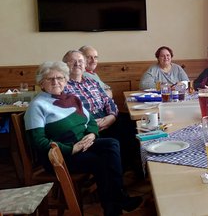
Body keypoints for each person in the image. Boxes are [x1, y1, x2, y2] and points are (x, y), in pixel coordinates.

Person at [24, 61, 142, 216]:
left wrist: (92, 134)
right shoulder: (37, 106)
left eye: (59, 78)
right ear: (41, 83)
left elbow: (91, 121)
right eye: (49, 79)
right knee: (101, 161)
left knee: (112, 143)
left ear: (66, 80)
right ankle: (114, 207)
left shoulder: (72, 98)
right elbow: (38, 142)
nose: (55, 82)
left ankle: (116, 202)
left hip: (83, 144)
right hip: (59, 156)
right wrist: (72, 149)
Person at [62, 50, 140, 174]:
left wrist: (112, 116)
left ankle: (131, 169)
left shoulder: (92, 82)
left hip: (106, 116)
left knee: (135, 126)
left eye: (80, 61)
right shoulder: (63, 86)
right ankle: (119, 172)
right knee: (116, 139)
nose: (77, 64)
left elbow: (108, 101)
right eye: (73, 61)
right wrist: (90, 124)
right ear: (65, 65)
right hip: (87, 123)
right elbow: (67, 114)